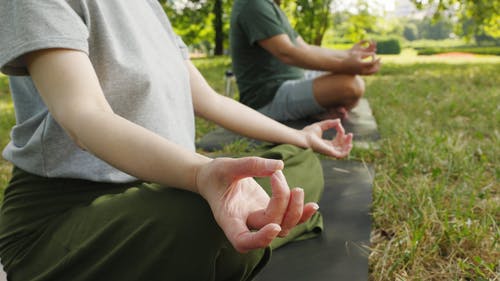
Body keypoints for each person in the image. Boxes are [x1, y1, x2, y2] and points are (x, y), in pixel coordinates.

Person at [0, 1, 353, 280]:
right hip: (69, 209)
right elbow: (85, 116)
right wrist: (202, 175)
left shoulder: (150, 7)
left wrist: (300, 136)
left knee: (296, 161)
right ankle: (244, 229)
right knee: (206, 218)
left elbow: (211, 101)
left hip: (166, 184)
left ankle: (247, 225)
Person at [230, 0, 382, 122]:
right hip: (267, 97)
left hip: (295, 78)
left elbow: (306, 48)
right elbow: (287, 53)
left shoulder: (270, 6)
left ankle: (316, 110)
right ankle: (318, 110)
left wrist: (348, 54)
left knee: (354, 83)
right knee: (352, 86)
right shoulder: (253, 5)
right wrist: (344, 65)